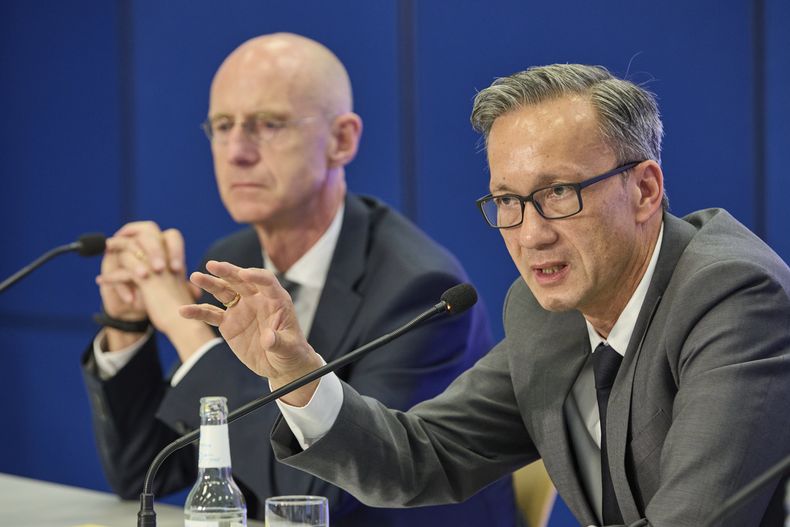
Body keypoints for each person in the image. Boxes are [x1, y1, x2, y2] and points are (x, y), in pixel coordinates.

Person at [183, 64, 790, 527]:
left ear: (645, 189)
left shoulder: (732, 297)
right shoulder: (544, 310)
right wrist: (297, 370)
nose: (531, 234)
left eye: (558, 192)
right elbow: (423, 457)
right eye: (508, 201)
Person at [81, 33, 516, 526]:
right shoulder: (234, 259)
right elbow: (144, 471)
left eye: (269, 124)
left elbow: (317, 499)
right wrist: (128, 323)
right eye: (223, 126)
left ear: (342, 140)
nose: (237, 151)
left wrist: (185, 336)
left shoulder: (417, 291)